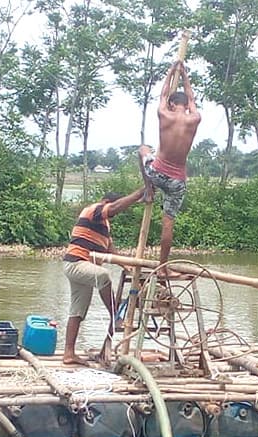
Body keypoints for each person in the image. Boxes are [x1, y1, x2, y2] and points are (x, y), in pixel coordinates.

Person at [62, 187, 147, 365]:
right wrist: (140, 193)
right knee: (103, 275)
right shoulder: (94, 210)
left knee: (77, 311)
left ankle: (69, 354)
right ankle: (115, 313)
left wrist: (129, 267)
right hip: (76, 263)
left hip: (84, 268)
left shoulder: (104, 226)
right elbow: (114, 208)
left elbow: (111, 251)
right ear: (106, 202)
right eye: (111, 210)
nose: (112, 215)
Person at [139, 59, 200, 269]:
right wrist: (184, 76)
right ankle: (162, 265)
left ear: (173, 104)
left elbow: (163, 94)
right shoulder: (195, 119)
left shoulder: (164, 114)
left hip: (157, 173)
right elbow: (191, 98)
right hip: (177, 181)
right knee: (168, 223)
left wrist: (171, 71)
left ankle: (148, 189)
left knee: (143, 150)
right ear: (187, 106)